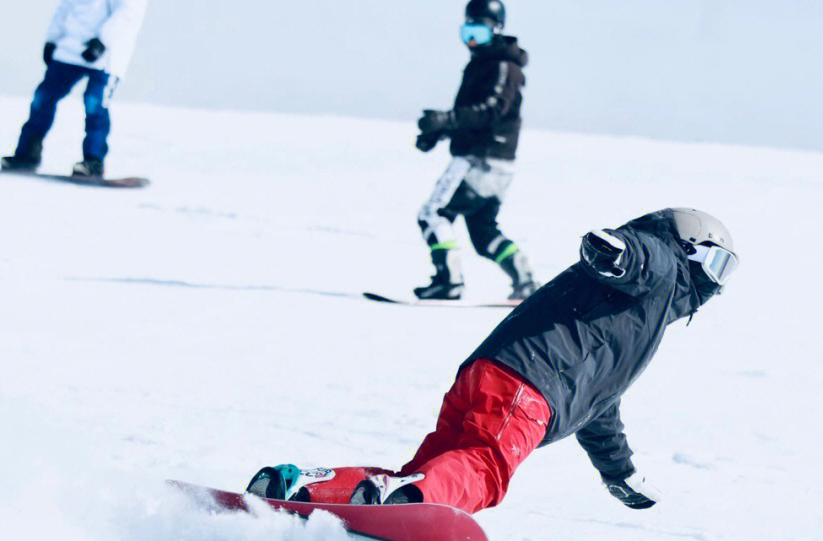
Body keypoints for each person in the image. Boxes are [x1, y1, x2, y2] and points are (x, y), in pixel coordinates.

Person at [248, 208, 740, 513]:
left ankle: (302, 488)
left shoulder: (631, 321)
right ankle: (411, 507)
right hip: (526, 390)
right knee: (484, 470)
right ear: (691, 250)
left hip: (489, 376)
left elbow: (598, 404)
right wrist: (615, 252)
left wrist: (620, 473)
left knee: (422, 472)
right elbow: (635, 253)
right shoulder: (661, 265)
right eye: (717, 265)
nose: (716, 285)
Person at [412, 0, 538, 301]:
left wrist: (447, 119)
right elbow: (477, 115)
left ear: (496, 30)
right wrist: (440, 132)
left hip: (479, 159)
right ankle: (524, 278)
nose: (471, 40)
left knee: (433, 214)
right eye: (467, 31)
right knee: (482, 231)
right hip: (499, 162)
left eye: (478, 33)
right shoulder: (487, 63)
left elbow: (491, 110)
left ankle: (449, 280)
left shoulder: (502, 65)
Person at [1, 0, 147, 178]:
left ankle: (93, 162)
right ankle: (27, 155)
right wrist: (52, 39)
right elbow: (65, 7)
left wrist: (103, 41)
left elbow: (127, 13)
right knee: (44, 97)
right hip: (70, 47)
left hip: (106, 53)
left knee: (95, 102)